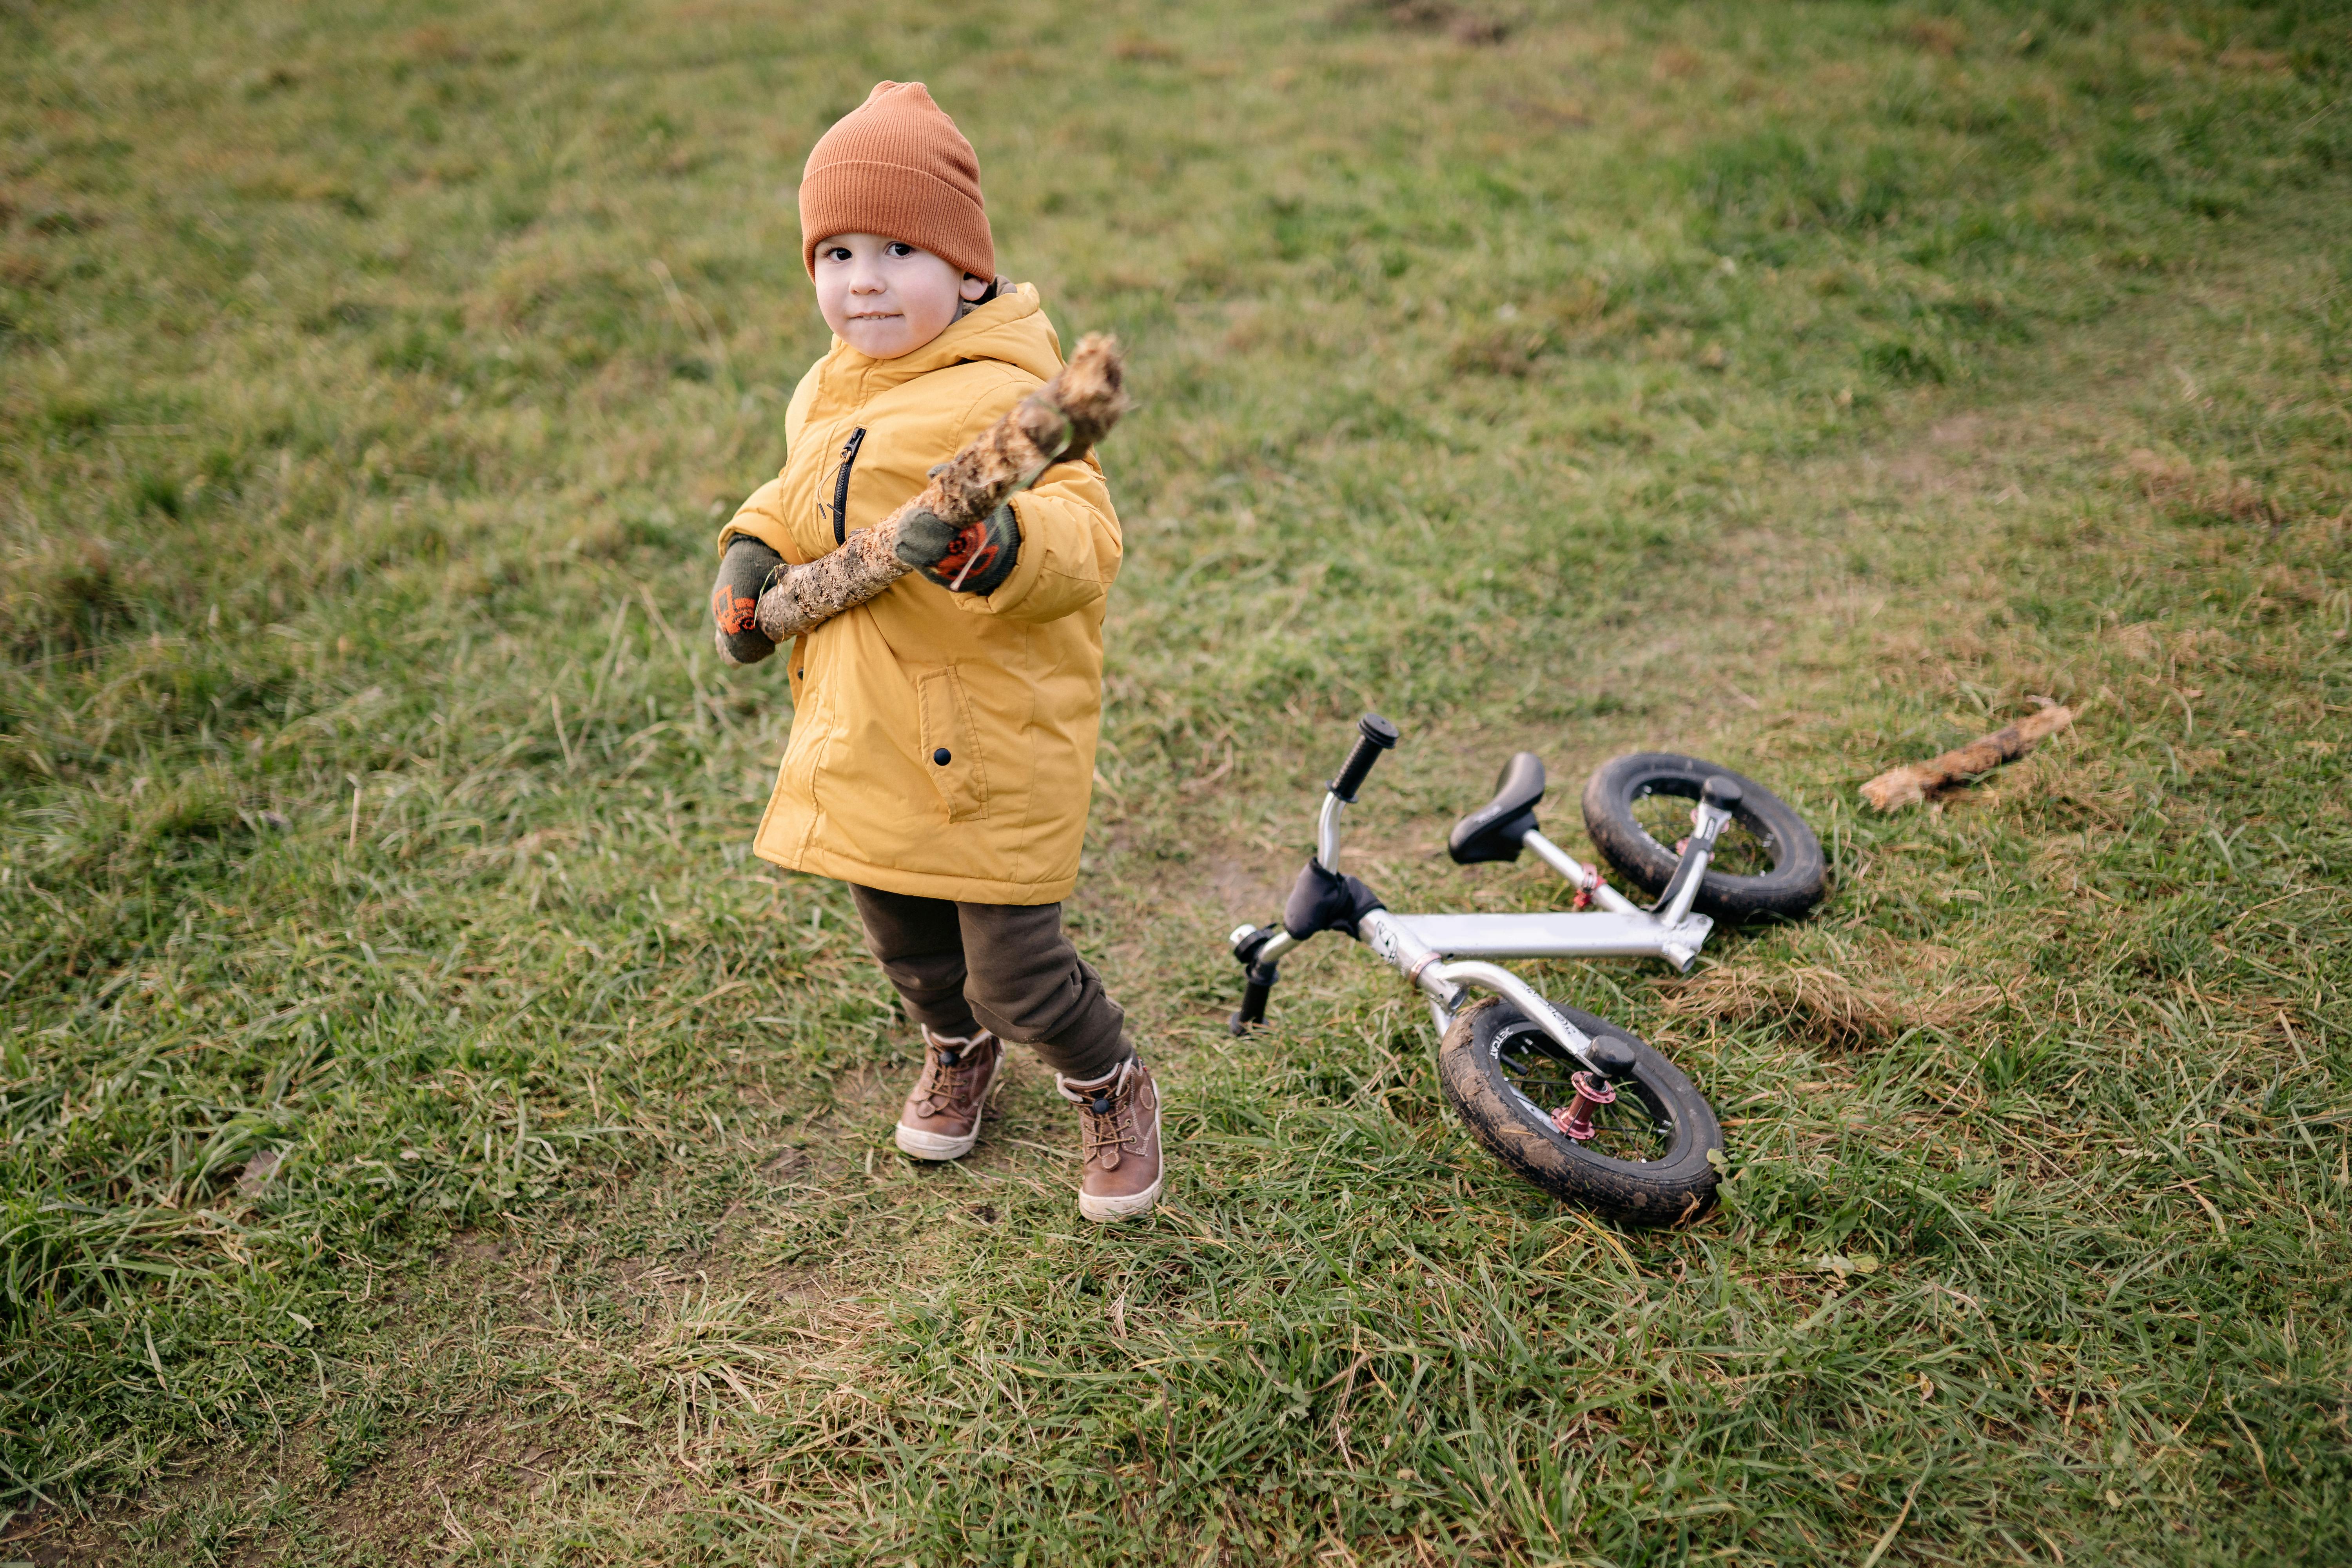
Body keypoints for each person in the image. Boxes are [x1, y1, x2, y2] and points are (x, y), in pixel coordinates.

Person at [708, 82, 1161, 1222]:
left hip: (987, 742)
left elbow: (1088, 536)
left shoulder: (1010, 396)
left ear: (966, 272)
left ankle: (1111, 1083)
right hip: (868, 727)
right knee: (907, 943)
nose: (861, 278)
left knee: (1017, 970)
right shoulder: (829, 384)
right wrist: (751, 558)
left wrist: (1005, 545)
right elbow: (799, 494)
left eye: (898, 249)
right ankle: (956, 1051)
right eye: (838, 251)